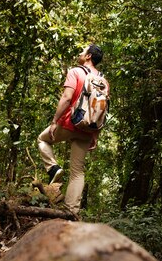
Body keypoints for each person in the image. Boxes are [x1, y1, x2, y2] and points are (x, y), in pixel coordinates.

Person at [37, 44, 109, 215]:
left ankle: (54, 168)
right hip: (88, 129)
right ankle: (72, 212)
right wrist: (95, 135)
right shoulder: (104, 82)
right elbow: (102, 110)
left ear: (89, 56)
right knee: (77, 172)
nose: (80, 53)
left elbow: (67, 97)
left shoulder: (76, 72)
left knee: (42, 139)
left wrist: (55, 121)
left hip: (70, 123)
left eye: (83, 51)